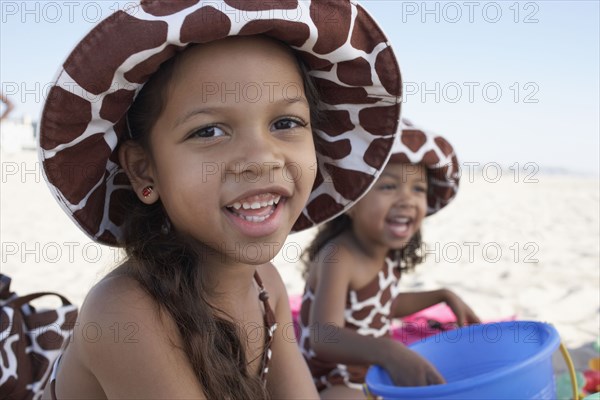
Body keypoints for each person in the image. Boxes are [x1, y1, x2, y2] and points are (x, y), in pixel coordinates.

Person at [34, 1, 403, 399]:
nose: (262, 157)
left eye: (286, 123)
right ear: (145, 171)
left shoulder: (267, 286)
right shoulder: (125, 312)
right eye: (208, 131)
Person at [298, 119, 481, 398]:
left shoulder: (387, 253)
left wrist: (441, 295)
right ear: (351, 202)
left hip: (372, 371)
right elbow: (324, 336)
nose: (407, 199)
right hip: (329, 379)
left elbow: (382, 306)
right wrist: (390, 351)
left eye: (418, 189)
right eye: (388, 187)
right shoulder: (339, 255)